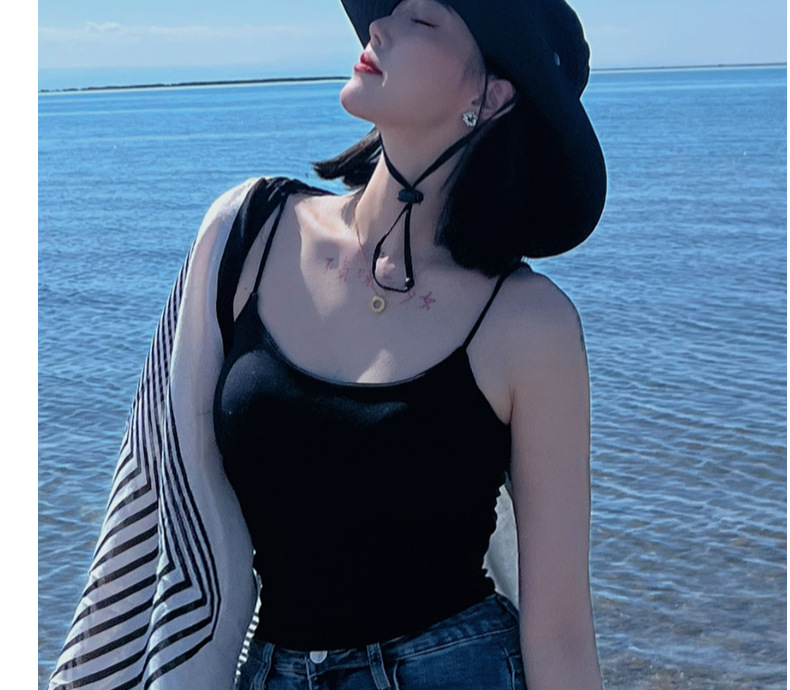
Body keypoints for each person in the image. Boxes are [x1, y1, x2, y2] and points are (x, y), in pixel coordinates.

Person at [49, 0, 606, 688]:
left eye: (422, 21)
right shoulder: (247, 235)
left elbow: (560, 630)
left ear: (491, 97)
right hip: (269, 670)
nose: (379, 28)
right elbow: (155, 502)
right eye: (389, 11)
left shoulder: (529, 323)